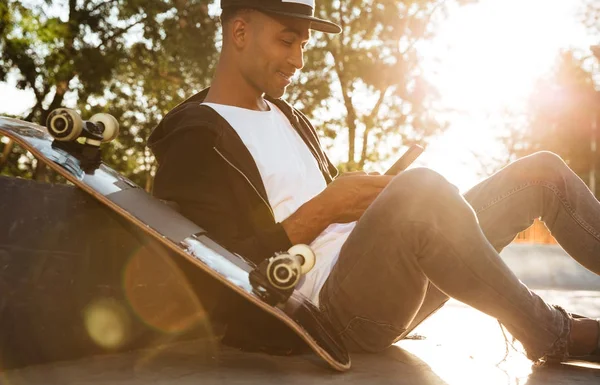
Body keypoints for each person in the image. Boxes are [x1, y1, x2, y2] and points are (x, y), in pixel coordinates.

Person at [148, 0, 600, 363]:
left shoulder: (288, 116)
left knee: (541, 172)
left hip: (388, 280)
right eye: (287, 42)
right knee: (420, 191)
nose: (298, 60)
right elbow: (205, 273)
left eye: (303, 46)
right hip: (332, 314)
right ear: (239, 33)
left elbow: (332, 215)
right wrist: (327, 207)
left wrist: (363, 204)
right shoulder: (195, 139)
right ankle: (552, 335)